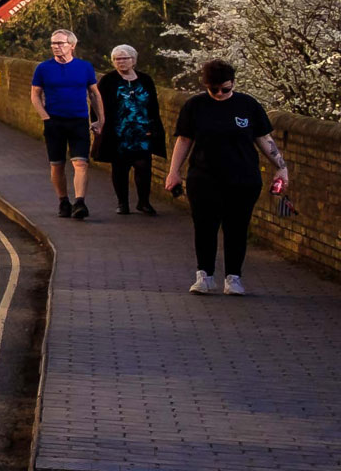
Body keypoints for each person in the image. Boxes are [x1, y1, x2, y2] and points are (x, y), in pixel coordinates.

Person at [165, 59, 291, 295]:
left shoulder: (248, 105)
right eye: (214, 90)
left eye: (225, 89)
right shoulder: (195, 106)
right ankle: (204, 275)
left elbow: (264, 139)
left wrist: (281, 167)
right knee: (204, 227)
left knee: (237, 227)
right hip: (203, 177)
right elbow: (184, 140)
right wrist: (174, 172)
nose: (220, 94)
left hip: (243, 177)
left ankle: (233, 277)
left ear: (233, 83)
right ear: (206, 85)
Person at [30, 29, 103, 220]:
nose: (56, 47)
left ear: (72, 45)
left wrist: (101, 119)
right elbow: (35, 94)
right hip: (54, 121)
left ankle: (79, 202)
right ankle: (63, 201)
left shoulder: (85, 67)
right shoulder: (43, 68)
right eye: (53, 43)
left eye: (60, 43)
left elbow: (94, 94)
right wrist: (44, 116)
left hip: (79, 120)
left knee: (81, 163)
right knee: (57, 165)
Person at [93, 44, 163, 216]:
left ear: (133, 60)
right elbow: (97, 104)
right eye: (117, 59)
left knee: (143, 166)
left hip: (141, 131)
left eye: (124, 58)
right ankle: (122, 203)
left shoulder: (145, 80)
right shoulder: (108, 80)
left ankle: (144, 202)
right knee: (120, 168)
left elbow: (153, 105)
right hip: (118, 131)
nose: (120, 62)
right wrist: (97, 123)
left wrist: (153, 128)